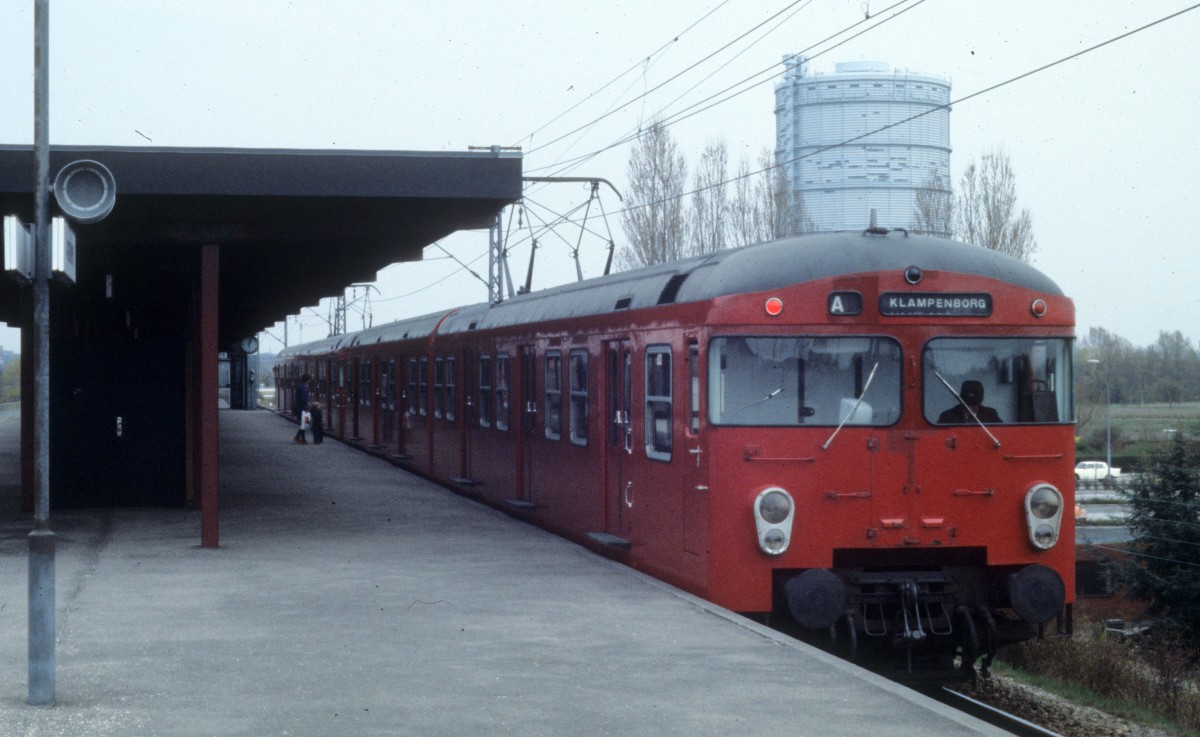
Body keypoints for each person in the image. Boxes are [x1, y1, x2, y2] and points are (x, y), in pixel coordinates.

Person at [293, 374, 311, 444]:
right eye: (309, 380)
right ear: (307, 380)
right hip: (303, 408)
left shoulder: (300, 386)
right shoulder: (303, 387)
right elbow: (304, 398)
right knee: (304, 423)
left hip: (301, 407)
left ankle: (299, 438)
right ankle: (301, 438)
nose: (309, 381)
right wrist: (307, 404)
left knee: (304, 423)